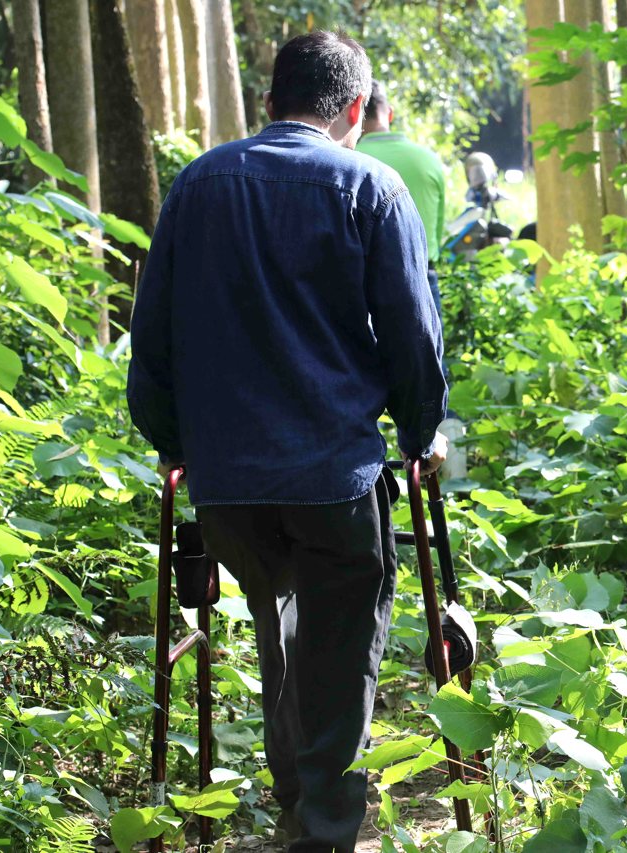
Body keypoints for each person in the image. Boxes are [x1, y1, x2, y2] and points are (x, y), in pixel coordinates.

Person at [126, 31, 448, 853]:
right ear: (354, 110)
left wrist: (173, 440)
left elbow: (151, 336)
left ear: (269, 103)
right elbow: (412, 334)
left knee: (285, 627)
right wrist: (421, 433)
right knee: (337, 650)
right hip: (333, 474)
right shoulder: (370, 187)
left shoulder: (198, 184)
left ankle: (297, 804)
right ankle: (322, 830)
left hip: (227, 483)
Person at [355, 81, 447, 319]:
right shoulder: (429, 160)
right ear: (390, 113)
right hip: (423, 278)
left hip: (362, 284)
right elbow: (436, 233)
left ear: (353, 112)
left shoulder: (347, 160)